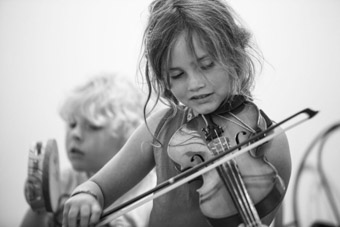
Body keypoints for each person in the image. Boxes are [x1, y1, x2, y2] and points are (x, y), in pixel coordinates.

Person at [62, 0, 291, 227]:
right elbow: (98, 187)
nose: (195, 84)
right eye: (178, 75)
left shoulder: (270, 141)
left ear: (235, 56)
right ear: (164, 79)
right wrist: (86, 197)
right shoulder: (161, 126)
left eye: (207, 65)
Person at [20, 74, 156, 227]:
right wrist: (40, 205)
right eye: (72, 124)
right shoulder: (63, 181)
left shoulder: (151, 190)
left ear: (130, 135)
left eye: (93, 126)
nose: (75, 134)